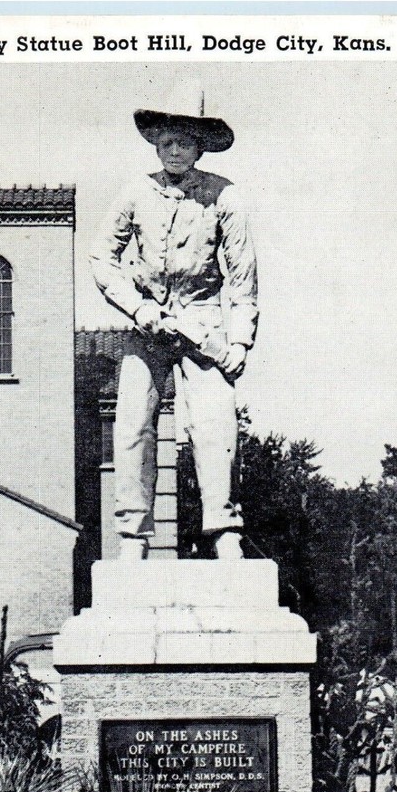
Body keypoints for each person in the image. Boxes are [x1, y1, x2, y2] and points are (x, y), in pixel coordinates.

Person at [90, 84, 258, 560]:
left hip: (203, 320)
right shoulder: (134, 192)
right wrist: (139, 309)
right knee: (133, 423)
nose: (176, 151)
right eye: (168, 142)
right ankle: (133, 536)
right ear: (156, 144)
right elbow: (102, 256)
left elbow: (243, 273)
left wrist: (240, 341)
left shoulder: (224, 196)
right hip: (147, 324)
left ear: (200, 145)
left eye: (186, 142)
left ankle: (225, 530)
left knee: (214, 425)